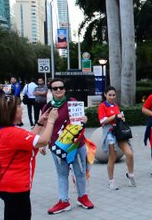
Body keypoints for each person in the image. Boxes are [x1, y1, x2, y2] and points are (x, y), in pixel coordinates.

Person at [0, 95, 58, 220]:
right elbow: (43, 141)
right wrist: (51, 121)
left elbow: (28, 140)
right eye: (19, 106)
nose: (22, 109)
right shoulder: (14, 133)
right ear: (11, 112)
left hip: (7, 184)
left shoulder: (6, 131)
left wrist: (40, 123)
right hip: (16, 187)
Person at [41, 78, 94, 214]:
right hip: (57, 147)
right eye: (55, 88)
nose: (58, 90)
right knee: (62, 174)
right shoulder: (47, 107)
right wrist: (43, 144)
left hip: (77, 145)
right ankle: (63, 201)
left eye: (61, 87)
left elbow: (80, 120)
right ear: (51, 90)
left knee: (80, 172)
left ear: (65, 89)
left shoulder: (73, 103)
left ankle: (82, 197)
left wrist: (85, 119)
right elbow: (44, 126)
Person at [98, 86, 136, 190]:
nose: (112, 97)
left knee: (129, 153)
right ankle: (111, 181)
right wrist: (115, 116)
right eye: (109, 95)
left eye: (113, 95)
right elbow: (102, 121)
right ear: (105, 95)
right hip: (110, 133)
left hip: (119, 132)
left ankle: (130, 174)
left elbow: (118, 117)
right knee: (112, 157)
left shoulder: (115, 105)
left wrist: (121, 117)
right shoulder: (102, 106)